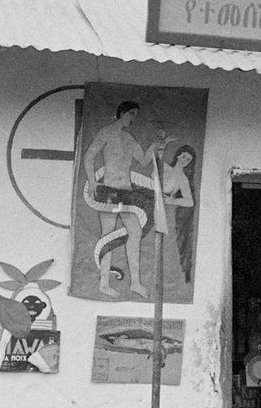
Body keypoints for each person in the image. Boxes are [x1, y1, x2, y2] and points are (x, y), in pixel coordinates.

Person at [81, 101, 173, 298]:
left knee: (135, 232)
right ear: (121, 113)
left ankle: (136, 283)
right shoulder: (106, 132)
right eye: (131, 114)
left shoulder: (129, 138)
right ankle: (104, 283)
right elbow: (88, 156)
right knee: (108, 234)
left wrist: (155, 146)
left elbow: (144, 160)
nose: (133, 118)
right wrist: (92, 181)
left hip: (126, 192)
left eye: (135, 115)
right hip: (109, 191)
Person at [161, 144, 197, 284]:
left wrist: (172, 200)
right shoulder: (164, 167)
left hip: (163, 210)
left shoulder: (183, 178)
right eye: (184, 157)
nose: (185, 160)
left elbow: (190, 202)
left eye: (188, 160)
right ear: (177, 155)